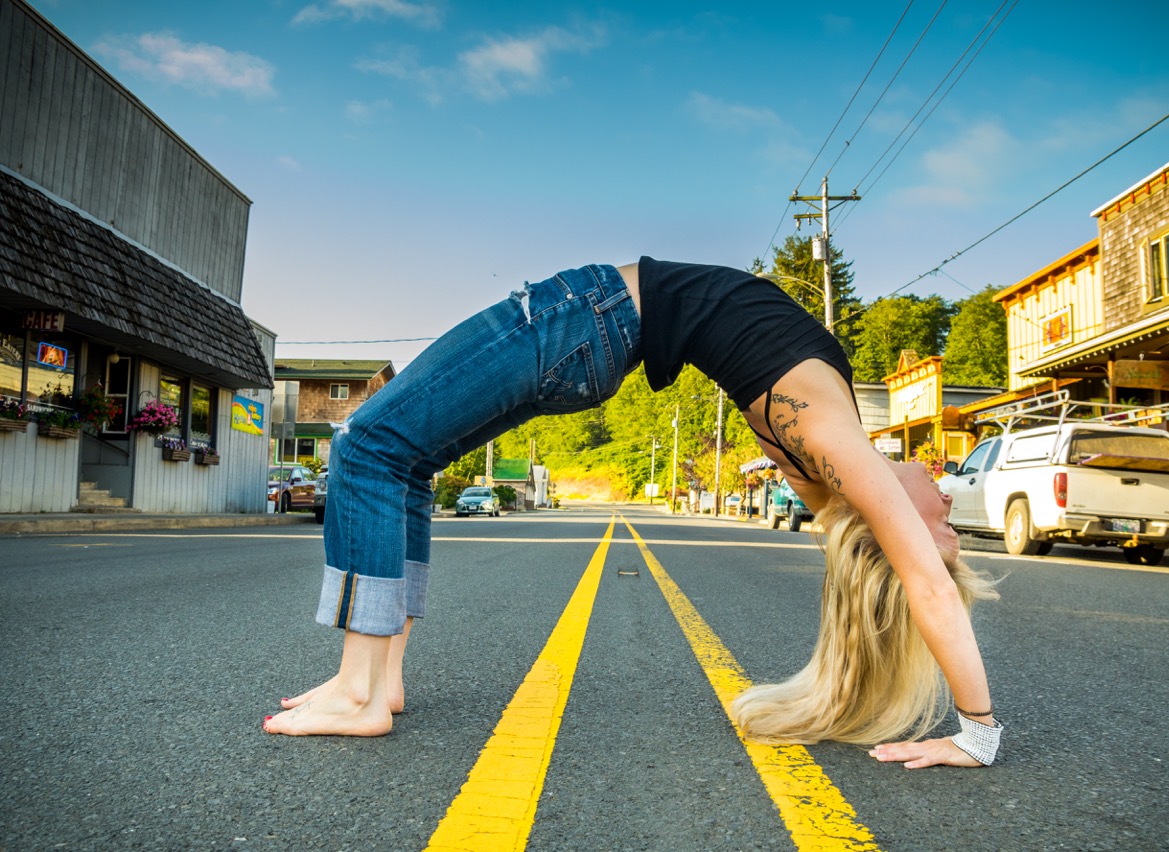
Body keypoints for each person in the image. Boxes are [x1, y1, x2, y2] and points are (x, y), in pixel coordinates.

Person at [264, 258, 1003, 768]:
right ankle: (381, 675)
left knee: (366, 443)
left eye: (941, 534)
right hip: (594, 334)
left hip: (583, 318)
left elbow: (924, 588)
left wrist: (979, 734)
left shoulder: (834, 444)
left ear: (894, 529)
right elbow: (882, 559)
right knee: (408, 459)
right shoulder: (832, 475)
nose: (946, 507)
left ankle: (358, 691)